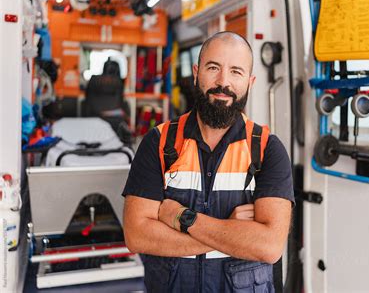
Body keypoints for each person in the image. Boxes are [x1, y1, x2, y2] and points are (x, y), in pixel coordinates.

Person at [122, 31, 294, 292]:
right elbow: (137, 235)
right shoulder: (158, 142)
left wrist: (182, 217)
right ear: (196, 72)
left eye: (236, 72)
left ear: (250, 81)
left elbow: (269, 247)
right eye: (213, 68)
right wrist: (233, 234)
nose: (223, 82)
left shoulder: (267, 149)